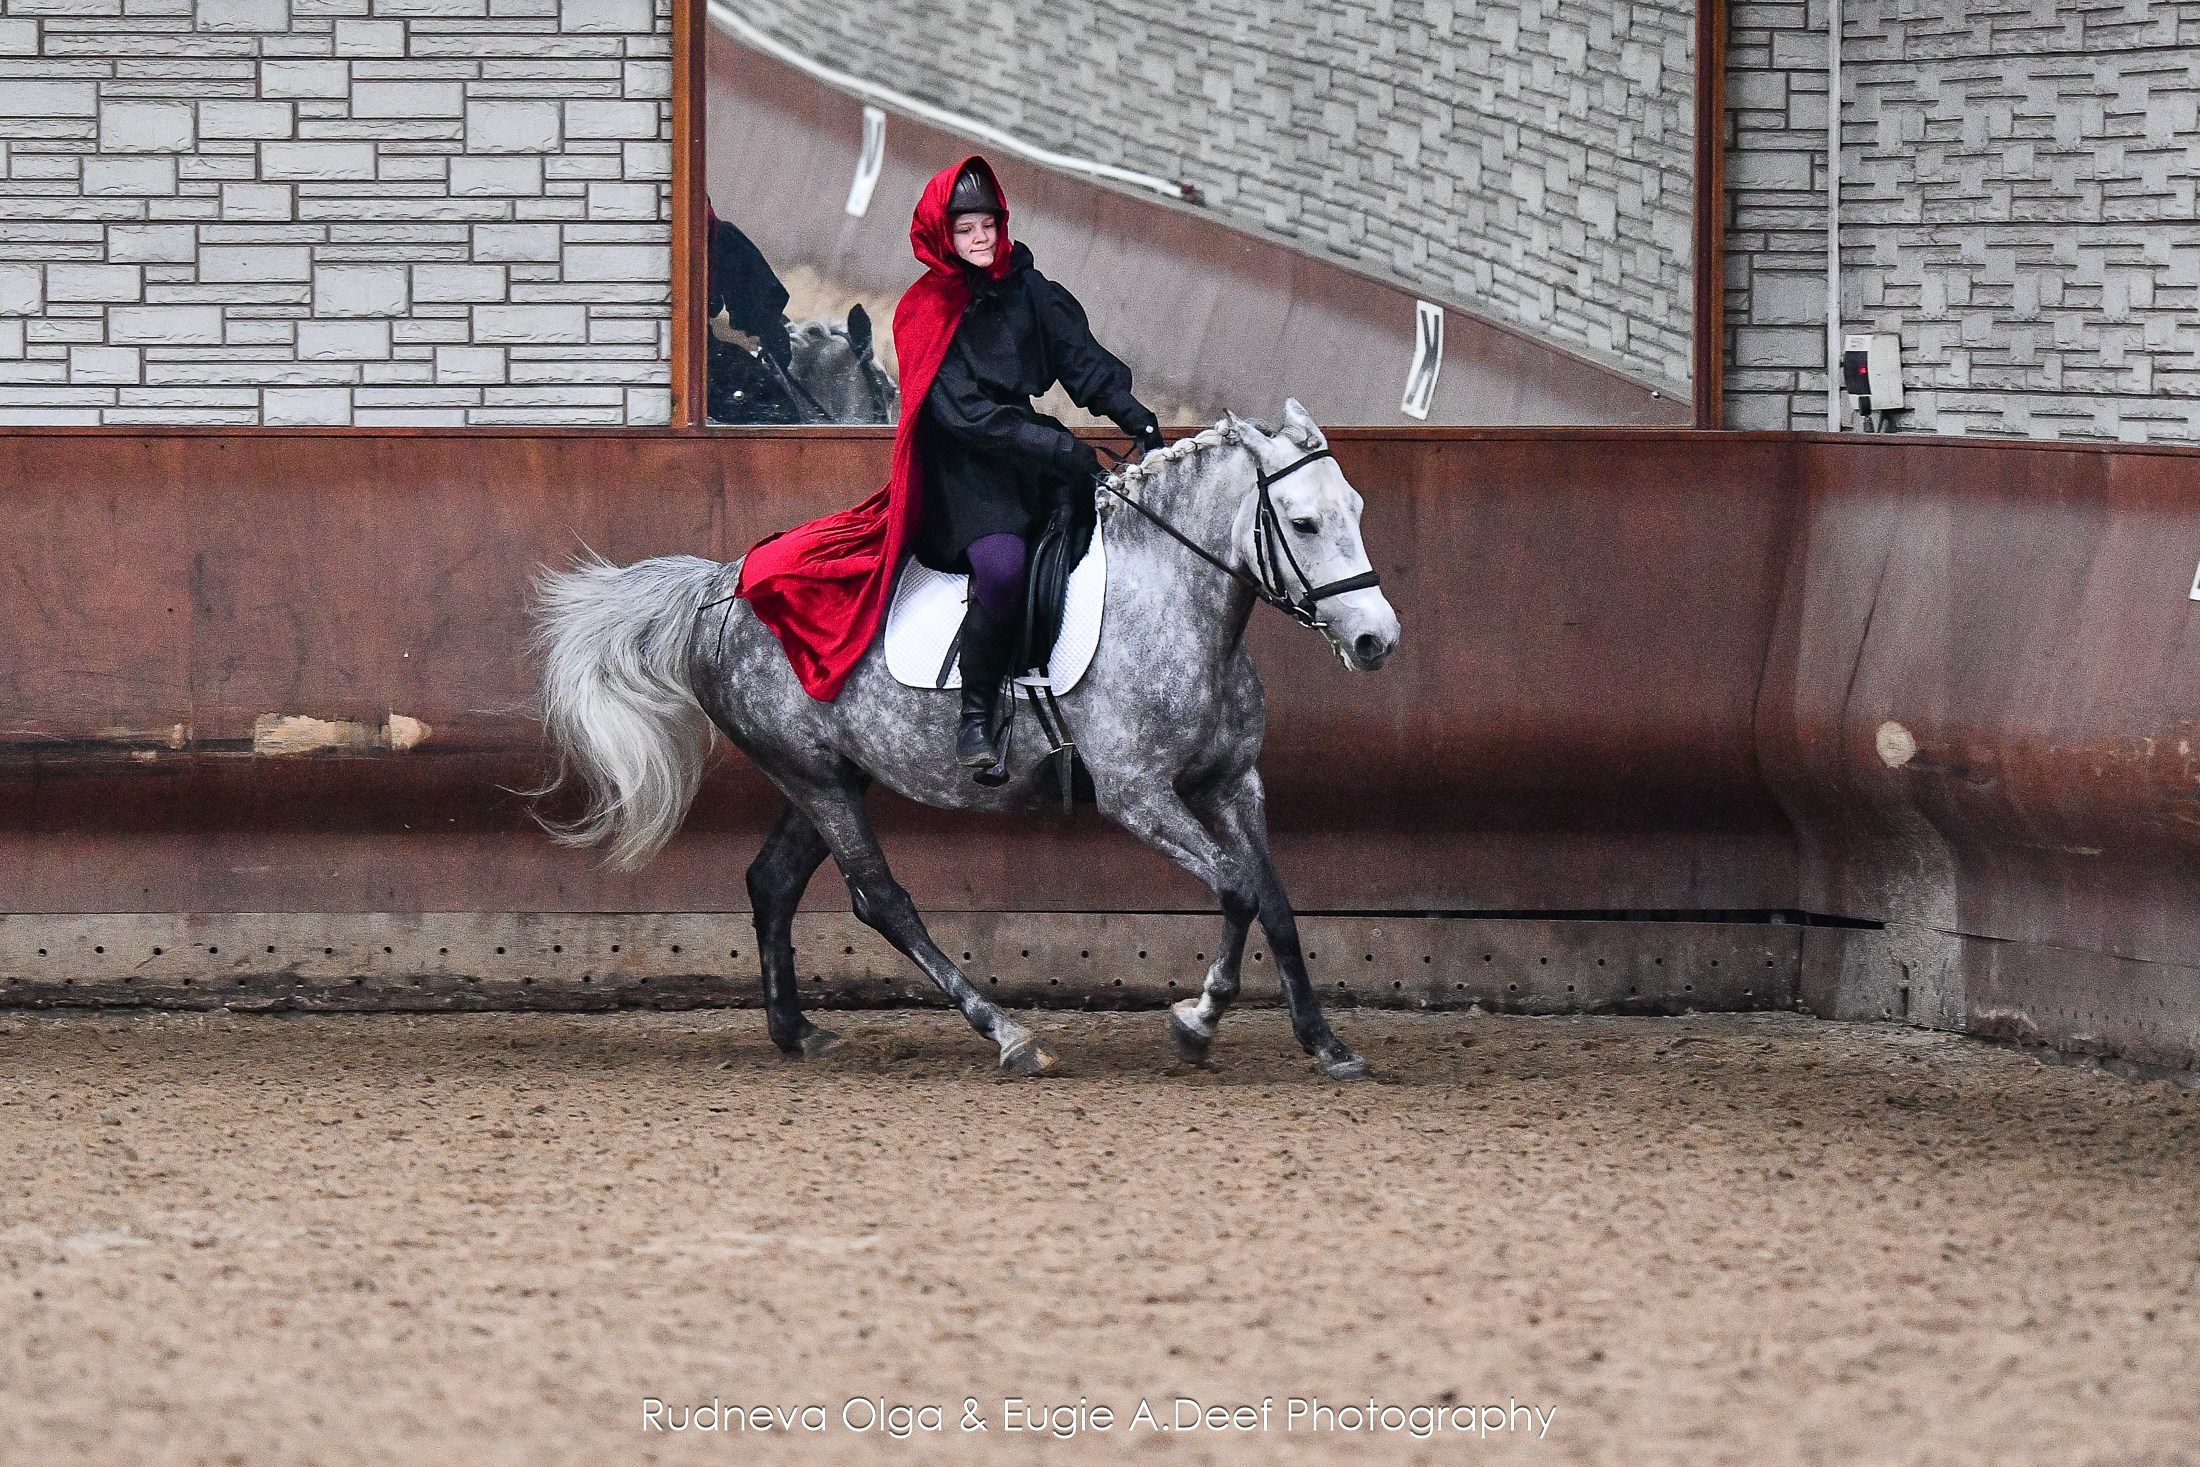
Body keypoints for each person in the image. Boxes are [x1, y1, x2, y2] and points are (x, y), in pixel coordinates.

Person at [735, 155, 1163, 773]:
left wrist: (1136, 418)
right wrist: (1058, 449)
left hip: (1031, 455)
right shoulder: (924, 310)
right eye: (966, 229)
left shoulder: (1031, 291)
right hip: (964, 475)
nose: (981, 238)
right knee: (1004, 570)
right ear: (944, 236)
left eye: (988, 224)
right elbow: (964, 415)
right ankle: (976, 713)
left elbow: (1083, 363)